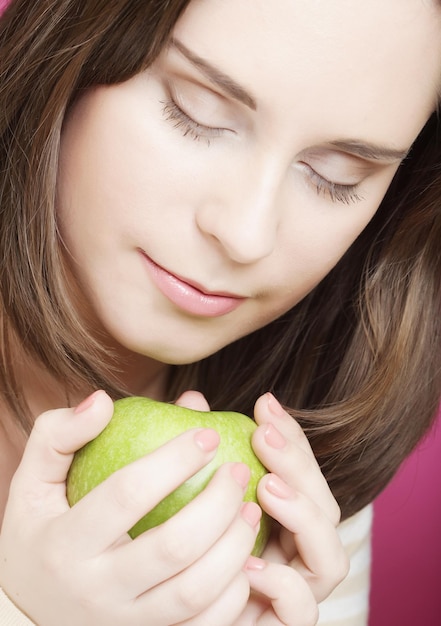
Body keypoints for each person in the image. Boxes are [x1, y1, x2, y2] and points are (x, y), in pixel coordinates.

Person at [0, 0, 440, 624]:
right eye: (196, 114)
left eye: (336, 176)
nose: (245, 234)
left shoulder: (292, 476)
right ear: (74, 51)